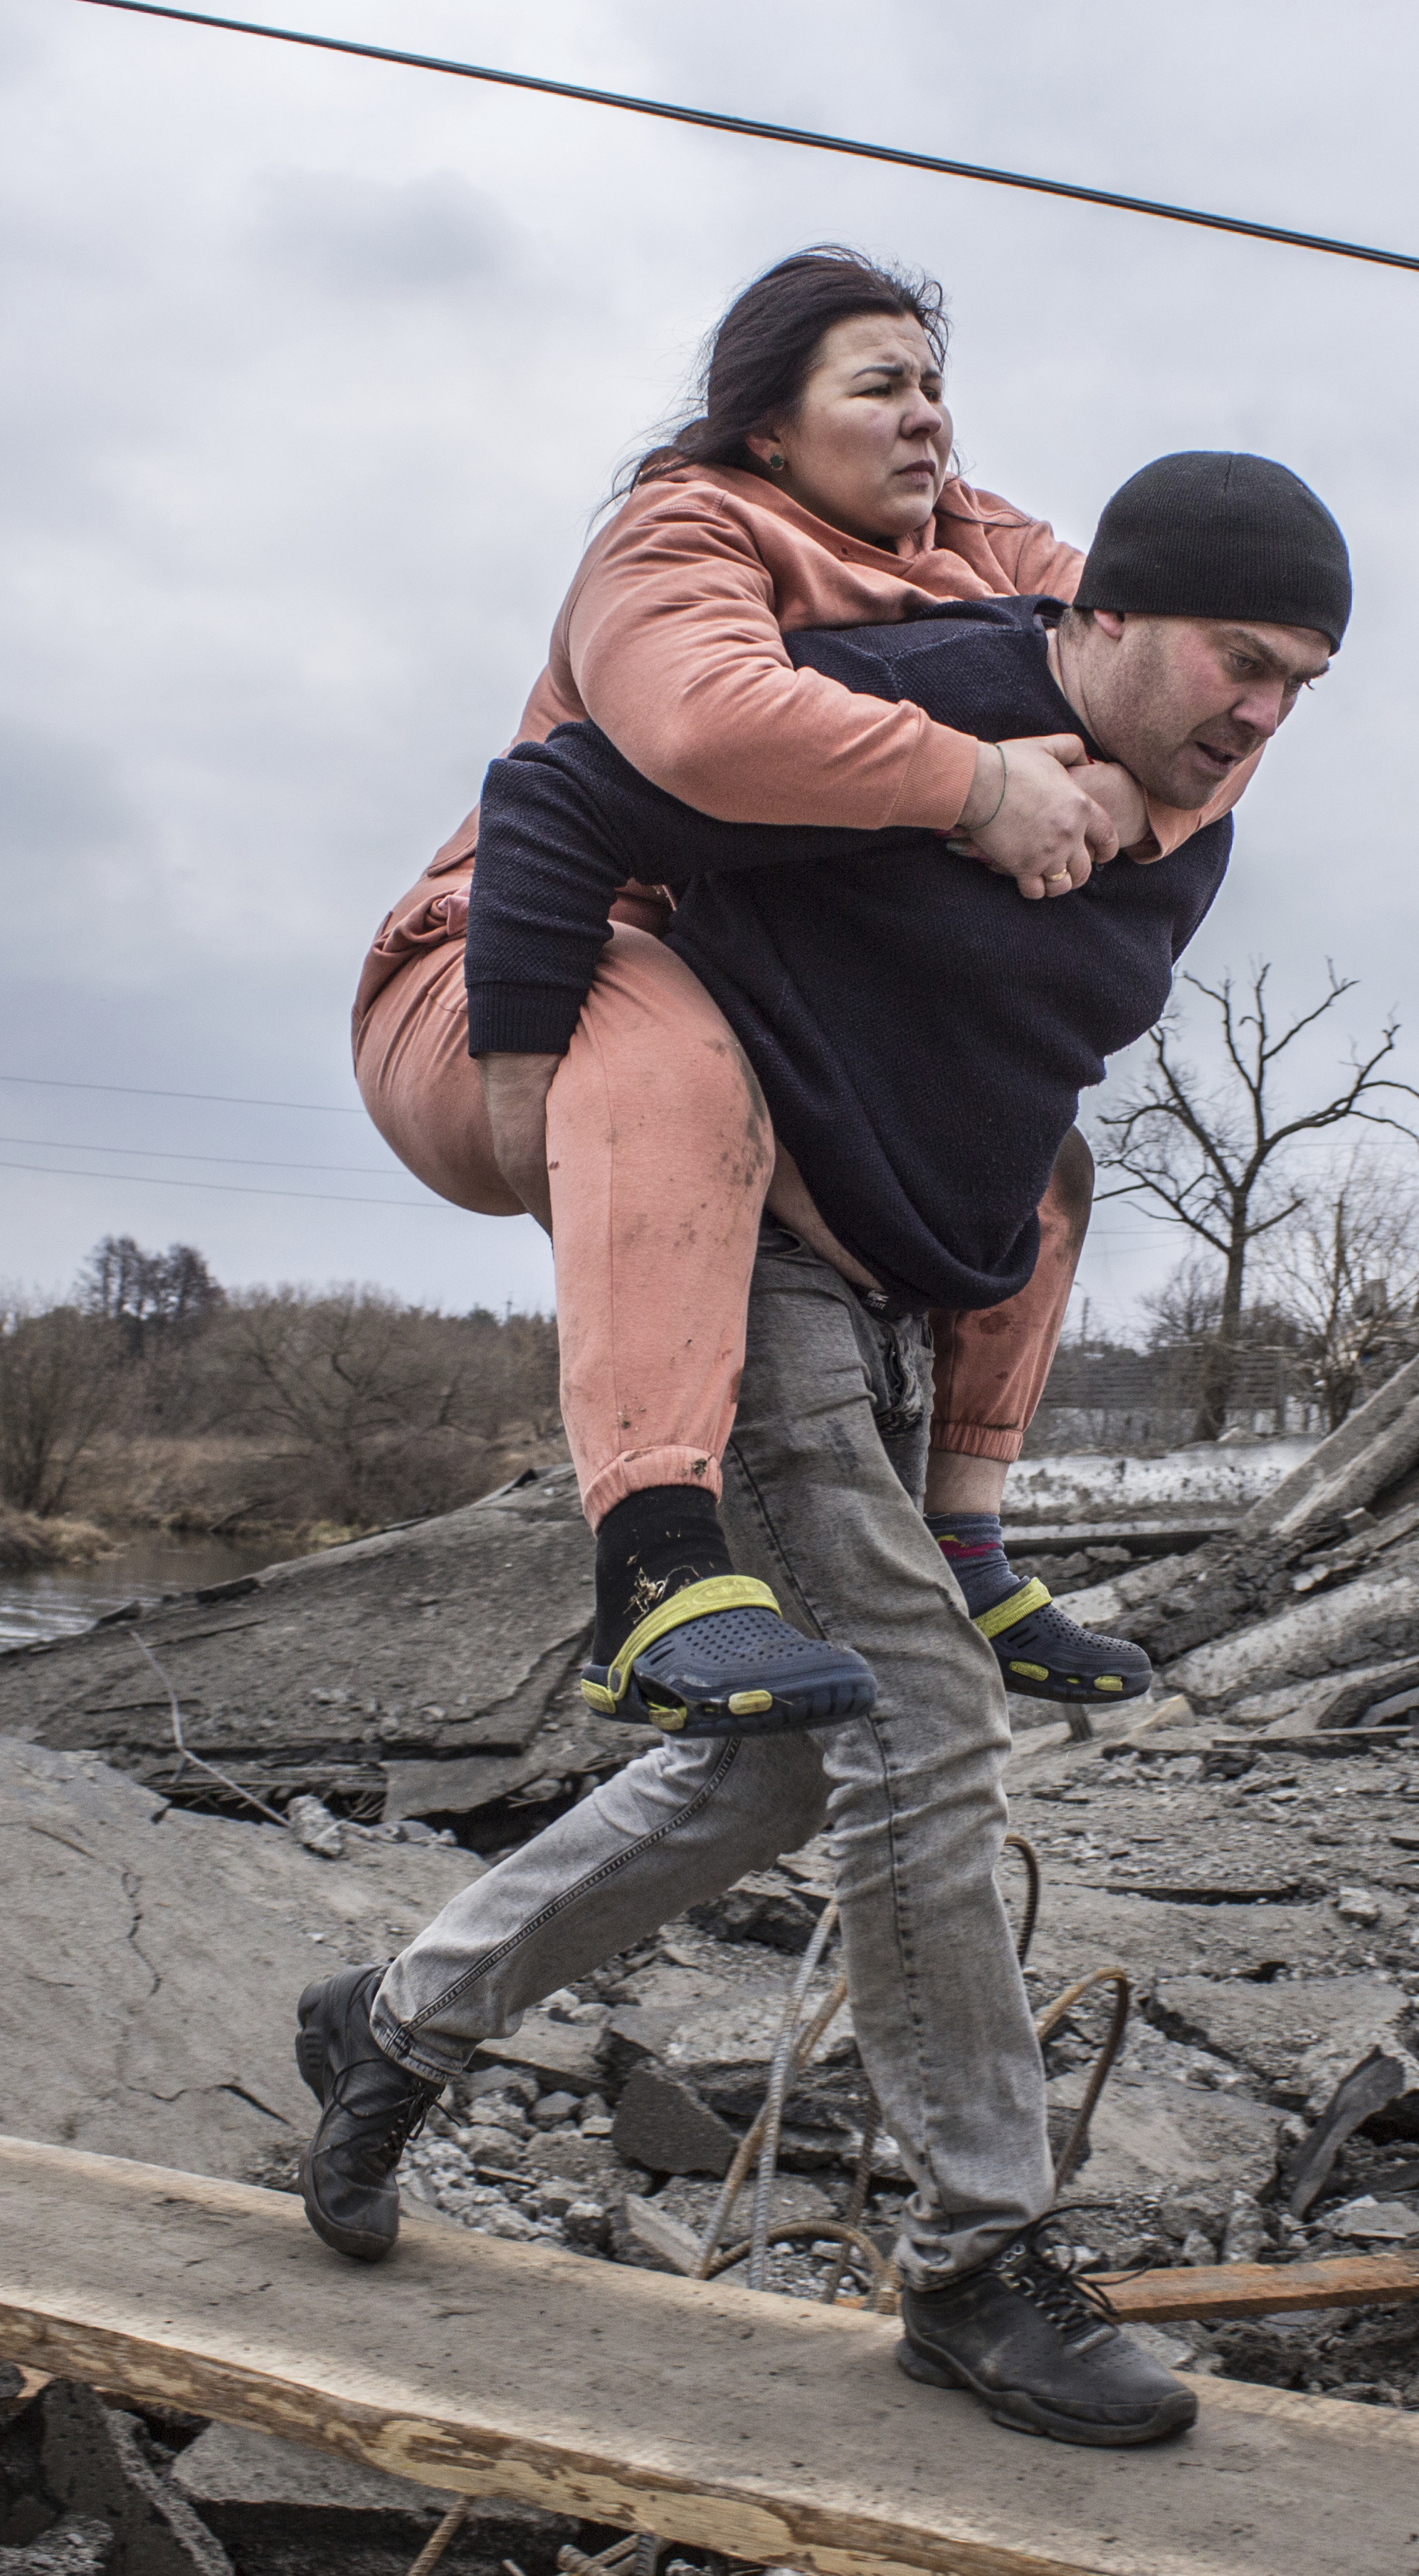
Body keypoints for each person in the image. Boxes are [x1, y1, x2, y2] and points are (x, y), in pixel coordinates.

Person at [302, 452, 1354, 2451]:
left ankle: (400, 2015)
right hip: (751, 1254)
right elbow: (567, 793)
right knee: (930, 1726)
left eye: (1304, 682)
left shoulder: (1187, 819)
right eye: (1242, 661)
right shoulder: (940, 700)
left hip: (885, 1307)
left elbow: (1005, 1079)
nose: (1265, 714)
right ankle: (975, 2258)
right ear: (1108, 620)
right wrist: (535, 1078)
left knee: (787, 1763)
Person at [352, 250, 1262, 1738]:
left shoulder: (981, 541)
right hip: (508, 966)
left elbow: (1191, 681)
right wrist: (978, 786)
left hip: (742, 1003)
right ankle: (652, 1571)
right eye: (882, 386)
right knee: (659, 1038)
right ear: (772, 427)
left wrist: (1110, 795)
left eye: (938, 388)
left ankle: (970, 1536)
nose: (929, 422)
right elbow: (700, 728)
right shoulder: (681, 530)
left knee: (1046, 1173)